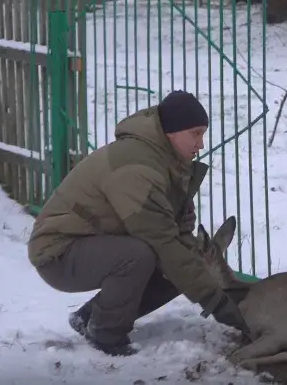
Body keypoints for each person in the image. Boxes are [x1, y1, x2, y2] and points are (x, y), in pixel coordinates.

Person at [26, 90, 249, 357]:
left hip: (97, 241)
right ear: (171, 132)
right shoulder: (137, 168)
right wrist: (220, 306)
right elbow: (163, 241)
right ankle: (105, 334)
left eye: (203, 134)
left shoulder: (167, 162)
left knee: (182, 263)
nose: (201, 144)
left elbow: (175, 239)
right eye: (196, 134)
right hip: (58, 252)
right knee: (140, 256)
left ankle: (89, 318)